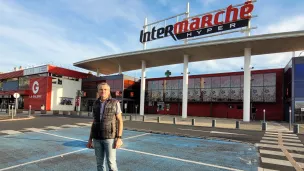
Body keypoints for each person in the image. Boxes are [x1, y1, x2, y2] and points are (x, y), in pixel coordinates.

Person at [86, 82, 124, 171]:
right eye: (101, 89)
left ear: (109, 91)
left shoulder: (115, 102)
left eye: (105, 89)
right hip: (96, 138)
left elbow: (120, 121)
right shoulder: (95, 103)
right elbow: (94, 122)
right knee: (99, 164)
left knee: (111, 164)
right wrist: (90, 139)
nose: (103, 91)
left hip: (109, 138)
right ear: (98, 91)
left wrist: (119, 138)